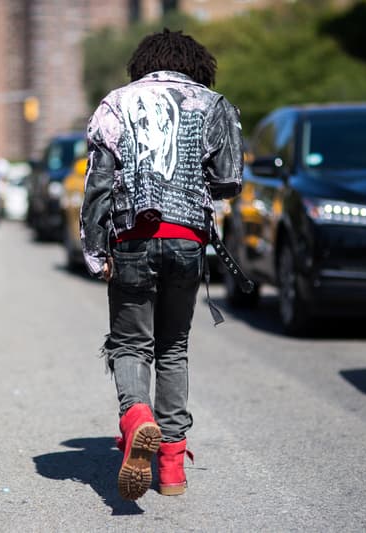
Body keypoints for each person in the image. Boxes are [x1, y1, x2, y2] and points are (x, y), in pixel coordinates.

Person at [80, 28, 243, 501]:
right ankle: (171, 467)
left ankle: (137, 419)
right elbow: (229, 180)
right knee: (173, 347)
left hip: (131, 237)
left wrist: (95, 252)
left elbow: (98, 187)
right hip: (188, 238)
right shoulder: (215, 105)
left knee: (130, 343)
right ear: (198, 66)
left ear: (141, 64)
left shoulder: (115, 104)